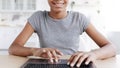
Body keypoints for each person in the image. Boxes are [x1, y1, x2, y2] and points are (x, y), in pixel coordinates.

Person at [9, 0, 116, 67]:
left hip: (73, 64)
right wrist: (34, 51)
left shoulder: (79, 18)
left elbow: (111, 48)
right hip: (48, 64)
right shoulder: (38, 18)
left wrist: (94, 54)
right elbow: (13, 48)